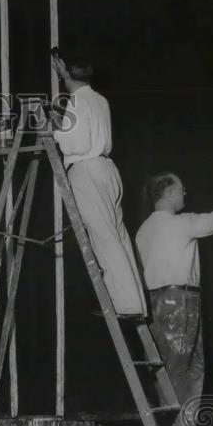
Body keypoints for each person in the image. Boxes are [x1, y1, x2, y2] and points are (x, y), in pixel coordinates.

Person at [135, 171, 213, 426]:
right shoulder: (179, 224)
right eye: (181, 188)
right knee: (189, 367)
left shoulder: (143, 231)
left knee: (164, 368)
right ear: (169, 193)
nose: (185, 193)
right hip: (180, 300)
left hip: (154, 302)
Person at [50, 54, 147, 318]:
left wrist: (55, 131)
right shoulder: (100, 99)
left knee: (104, 237)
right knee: (117, 235)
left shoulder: (77, 101)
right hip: (107, 170)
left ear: (66, 74)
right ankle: (135, 300)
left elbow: (75, 144)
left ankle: (127, 304)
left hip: (86, 170)